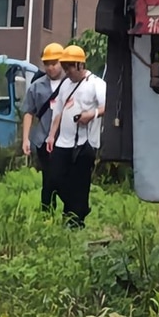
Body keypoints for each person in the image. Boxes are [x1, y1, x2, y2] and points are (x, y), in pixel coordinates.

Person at [46, 44, 106, 227]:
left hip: (85, 143)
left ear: (80, 65)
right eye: (65, 67)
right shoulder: (65, 84)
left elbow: (108, 106)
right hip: (63, 142)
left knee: (80, 183)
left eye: (69, 67)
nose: (67, 71)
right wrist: (51, 135)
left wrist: (91, 115)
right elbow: (58, 111)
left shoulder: (96, 83)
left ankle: (75, 220)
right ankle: (78, 208)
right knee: (55, 178)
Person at [21, 43, 67, 212]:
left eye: (54, 63)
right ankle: (47, 211)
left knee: (62, 177)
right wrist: (25, 138)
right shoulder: (36, 86)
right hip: (42, 140)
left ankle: (69, 210)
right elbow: (28, 112)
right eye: (47, 64)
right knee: (48, 177)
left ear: (62, 62)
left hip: (66, 140)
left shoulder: (72, 84)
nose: (51, 67)